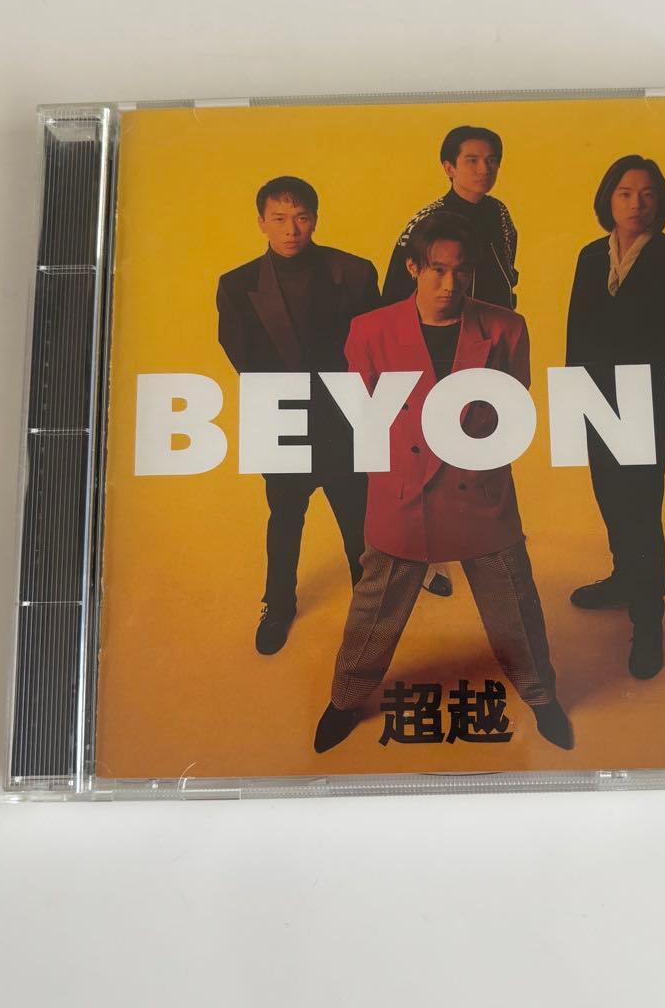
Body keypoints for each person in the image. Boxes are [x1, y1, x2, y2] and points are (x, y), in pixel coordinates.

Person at [313, 211, 572, 753]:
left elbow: (511, 407)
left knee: (515, 604)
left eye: (461, 271)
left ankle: (542, 696)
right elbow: (365, 414)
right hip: (404, 489)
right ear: (413, 267)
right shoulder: (369, 330)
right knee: (373, 610)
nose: (450, 284)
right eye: (437, 269)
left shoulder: (506, 328)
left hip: (479, 486)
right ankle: (345, 698)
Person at [565, 155, 665, 680]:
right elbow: (577, 336)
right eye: (625, 193)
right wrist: (574, 404)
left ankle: (648, 620)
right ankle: (624, 579)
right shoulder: (591, 256)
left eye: (647, 194)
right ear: (608, 199)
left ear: (661, 201)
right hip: (598, 403)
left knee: (642, 510)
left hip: (651, 410)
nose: (636, 203)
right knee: (609, 496)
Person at [216, 176, 380, 655]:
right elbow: (244, 358)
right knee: (285, 517)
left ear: (315, 219)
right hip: (283, 417)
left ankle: (371, 606)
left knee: (358, 519)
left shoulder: (355, 272)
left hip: (345, 418)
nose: (291, 230)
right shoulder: (237, 284)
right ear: (261, 223)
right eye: (280, 219)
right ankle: (279, 604)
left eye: (301, 218)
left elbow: (372, 348)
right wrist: (292, 407)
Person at [382, 124, 519, 597]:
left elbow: (507, 275)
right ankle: (425, 558)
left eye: (492, 160)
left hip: (486, 348)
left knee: (479, 451)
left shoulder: (499, 214)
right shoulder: (428, 221)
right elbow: (395, 292)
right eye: (472, 160)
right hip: (436, 351)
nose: (484, 169)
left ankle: (475, 541)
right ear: (448, 167)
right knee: (425, 458)